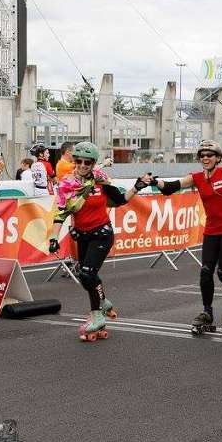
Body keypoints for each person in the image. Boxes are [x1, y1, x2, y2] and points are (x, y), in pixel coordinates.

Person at [49, 142, 153, 341]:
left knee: (88, 273)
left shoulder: (100, 179)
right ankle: (103, 302)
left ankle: (97, 316)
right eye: (77, 160)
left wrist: (138, 186)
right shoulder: (66, 183)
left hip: (102, 233)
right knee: (84, 276)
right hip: (82, 234)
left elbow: (121, 199)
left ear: (93, 163)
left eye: (87, 162)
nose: (82, 165)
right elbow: (61, 212)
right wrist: (54, 237)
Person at [155, 137, 222, 335]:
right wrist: (152, 181)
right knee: (205, 271)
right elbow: (170, 187)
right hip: (211, 229)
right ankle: (207, 312)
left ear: (218, 157)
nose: (205, 158)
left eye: (209, 155)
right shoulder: (196, 177)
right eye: (202, 155)